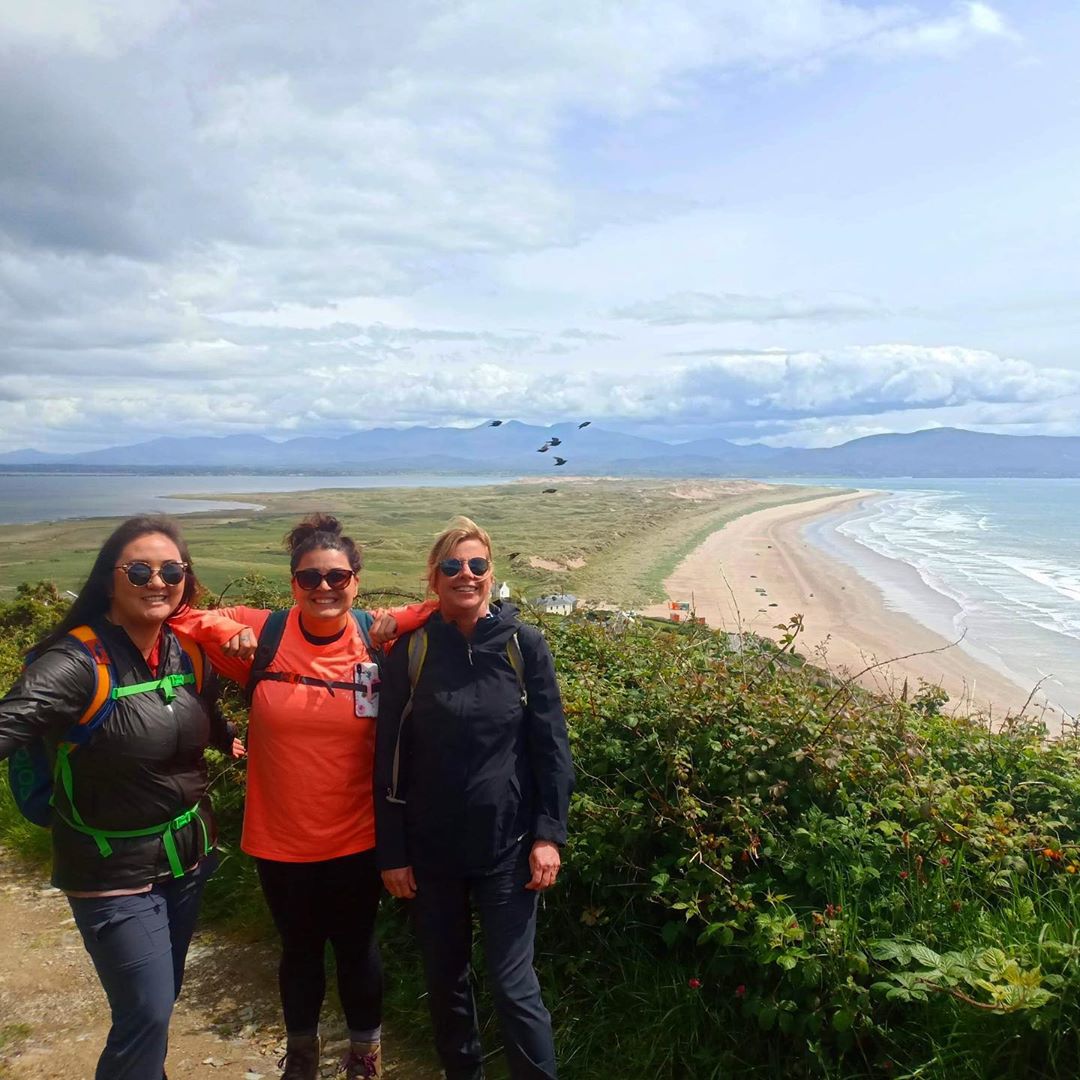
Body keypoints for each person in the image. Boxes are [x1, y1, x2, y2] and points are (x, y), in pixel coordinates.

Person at [170, 513, 435, 1080]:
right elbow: (174, 613)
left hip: (358, 836)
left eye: (337, 578)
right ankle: (304, 1057)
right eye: (309, 577)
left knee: (358, 949)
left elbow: (443, 607)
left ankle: (366, 1057)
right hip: (279, 838)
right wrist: (219, 630)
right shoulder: (260, 632)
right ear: (292, 582)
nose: (323, 588)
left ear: (356, 581)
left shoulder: (374, 634)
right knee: (298, 951)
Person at [0, 515, 246, 1080]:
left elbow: (202, 714)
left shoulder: (185, 652)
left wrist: (230, 738)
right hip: (110, 872)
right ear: (109, 579)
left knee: (156, 1006)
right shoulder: (74, 663)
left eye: (171, 570)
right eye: (139, 569)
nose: (156, 580)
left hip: (188, 860)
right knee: (147, 1012)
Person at [374, 516, 574, 1080]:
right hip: (430, 850)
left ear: (491, 575)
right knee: (447, 983)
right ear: (433, 579)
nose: (466, 574)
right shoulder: (409, 652)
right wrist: (392, 852)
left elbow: (550, 747)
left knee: (515, 987)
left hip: (508, 849)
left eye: (477, 565)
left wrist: (548, 834)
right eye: (452, 566)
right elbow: (388, 757)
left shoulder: (523, 646)